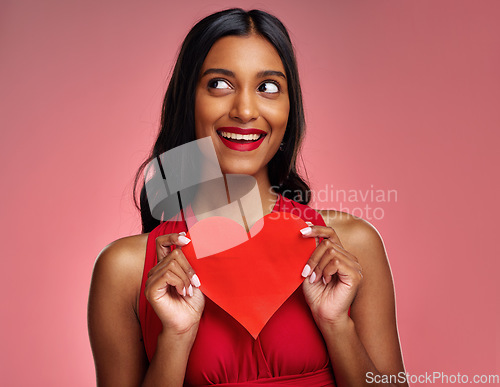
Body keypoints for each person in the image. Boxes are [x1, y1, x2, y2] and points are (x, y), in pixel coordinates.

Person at [88, 8, 408, 386]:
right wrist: (174, 339)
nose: (244, 110)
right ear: (187, 100)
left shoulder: (351, 244)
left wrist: (337, 326)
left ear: (291, 108)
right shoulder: (125, 269)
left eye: (268, 87)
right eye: (220, 85)